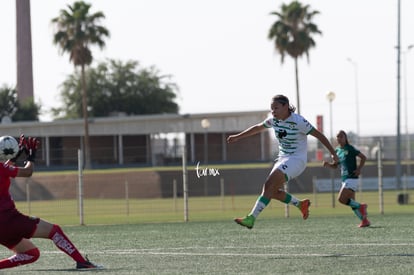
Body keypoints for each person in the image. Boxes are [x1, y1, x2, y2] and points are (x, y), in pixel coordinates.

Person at [227, 95, 339, 229]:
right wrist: (237, 137)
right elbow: (257, 128)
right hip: (282, 159)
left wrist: (333, 153)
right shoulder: (274, 121)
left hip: (297, 160)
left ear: (286, 106)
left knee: (269, 185)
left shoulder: (298, 121)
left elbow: (319, 135)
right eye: (271, 109)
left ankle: (251, 218)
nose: (273, 111)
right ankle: (300, 204)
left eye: (276, 108)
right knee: (270, 190)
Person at [0, 135, 102, 270]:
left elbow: (5, 169)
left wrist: (16, 155)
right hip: (9, 219)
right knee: (54, 231)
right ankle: (82, 263)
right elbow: (27, 172)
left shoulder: (3, 168)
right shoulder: (2, 168)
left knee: (31, 254)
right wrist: (31, 156)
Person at [323, 130, 370, 227]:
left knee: (341, 199)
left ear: (345, 138)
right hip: (345, 179)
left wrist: (359, 169)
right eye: (338, 137)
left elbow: (363, 157)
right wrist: (328, 165)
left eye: (341, 137)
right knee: (352, 203)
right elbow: (335, 166)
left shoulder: (350, 148)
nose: (339, 139)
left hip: (351, 178)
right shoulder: (337, 151)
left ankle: (361, 206)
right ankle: (364, 221)